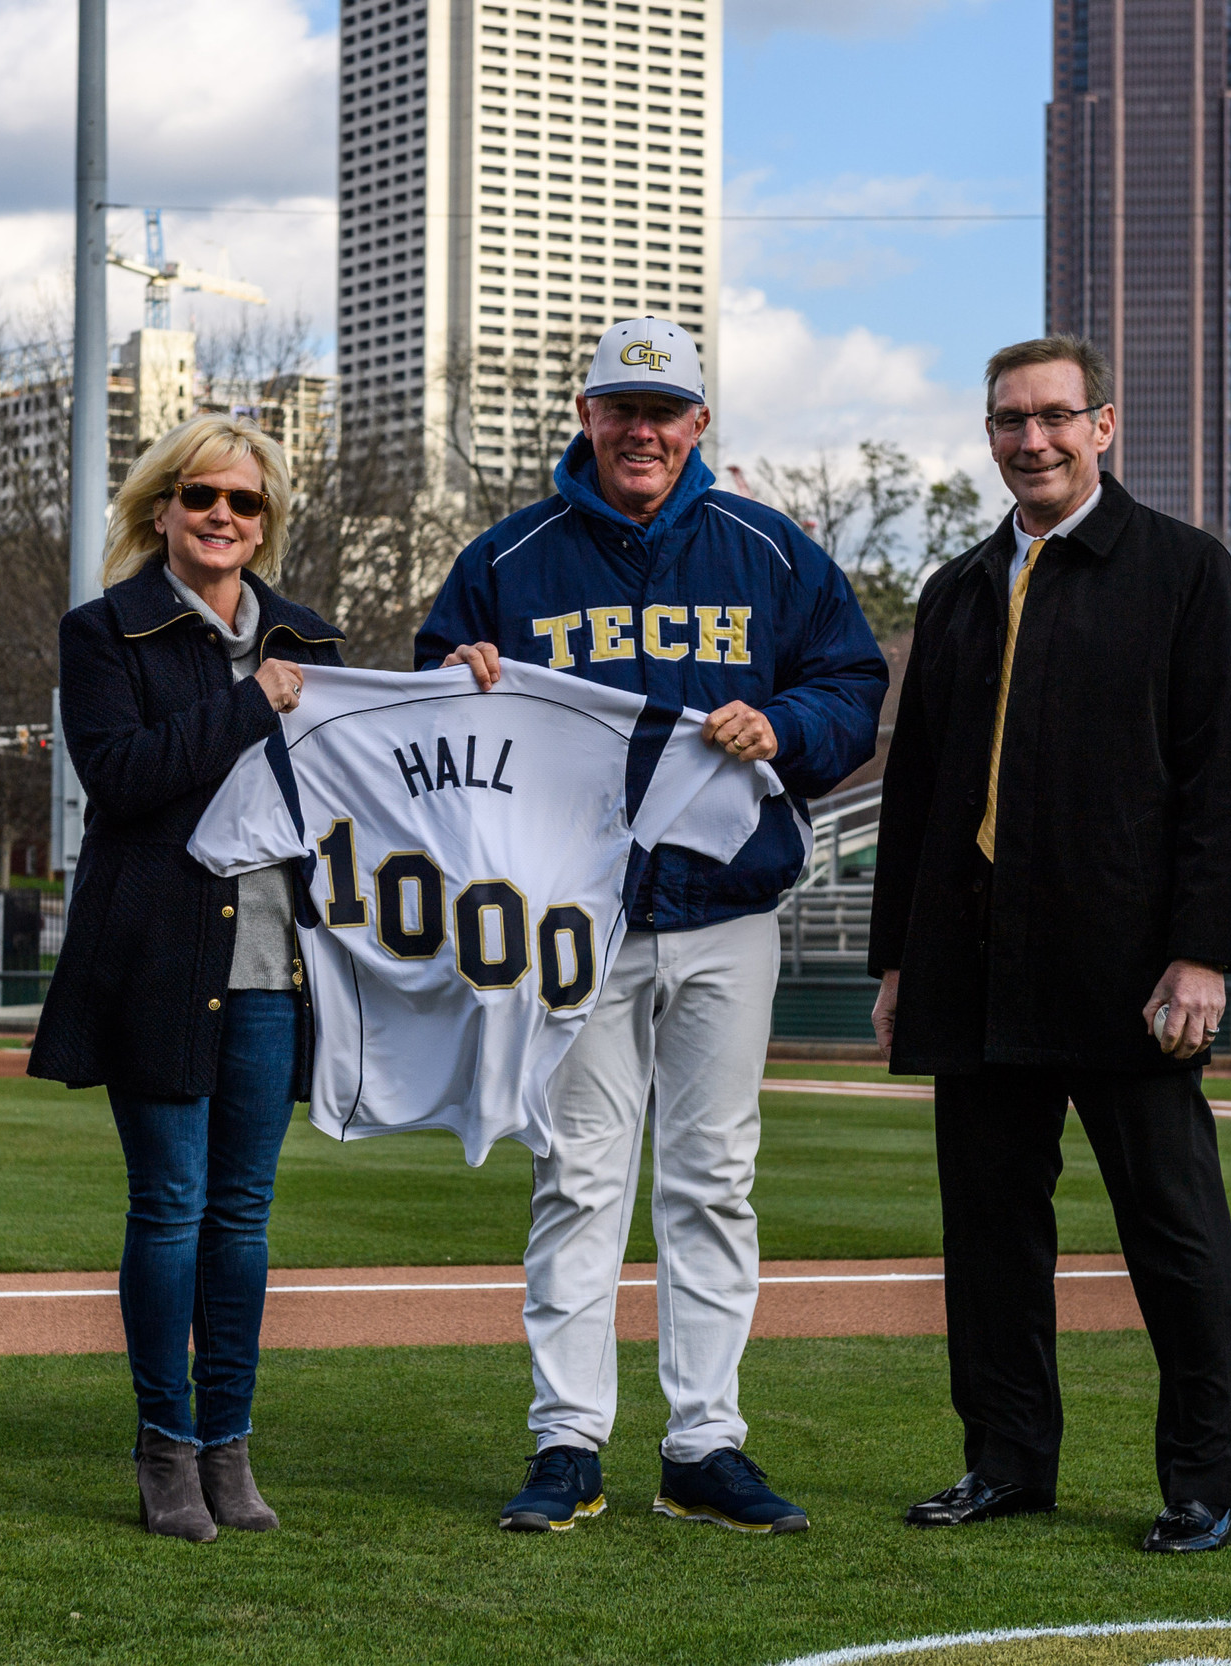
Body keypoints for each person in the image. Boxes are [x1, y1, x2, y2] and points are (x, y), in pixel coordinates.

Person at [417, 316, 888, 1536]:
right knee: (576, 1177)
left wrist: (783, 725)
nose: (640, 429)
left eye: (662, 408)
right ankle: (567, 1438)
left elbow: (850, 685)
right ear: (585, 416)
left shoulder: (770, 552)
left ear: (699, 422)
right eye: (619, 407)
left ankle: (703, 1439)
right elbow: (426, 712)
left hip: (728, 903)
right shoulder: (509, 558)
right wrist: (454, 675)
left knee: (713, 1176)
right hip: (576, 919)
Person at [867, 335, 1231, 1555]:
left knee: (1172, 1227)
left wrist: (1200, 953)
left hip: (1126, 962)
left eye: (1051, 417)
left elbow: (1220, 780)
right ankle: (1005, 1460)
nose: (1028, 439)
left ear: (1101, 426)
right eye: (1005, 420)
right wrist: (897, 958)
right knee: (989, 1233)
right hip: (975, 959)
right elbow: (918, 793)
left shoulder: (1185, 573)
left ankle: (1202, 1480)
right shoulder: (956, 589)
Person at [29, 415, 346, 1542]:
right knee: (170, 1207)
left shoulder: (313, 635)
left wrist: (464, 682)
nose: (223, 517)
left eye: (245, 503)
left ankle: (229, 1445)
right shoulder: (103, 630)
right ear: (159, 506)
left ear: (267, 521)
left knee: (244, 1218)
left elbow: (375, 772)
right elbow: (121, 779)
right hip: (156, 957)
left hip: (275, 965)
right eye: (201, 495)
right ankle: (165, 1451)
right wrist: (250, 700)